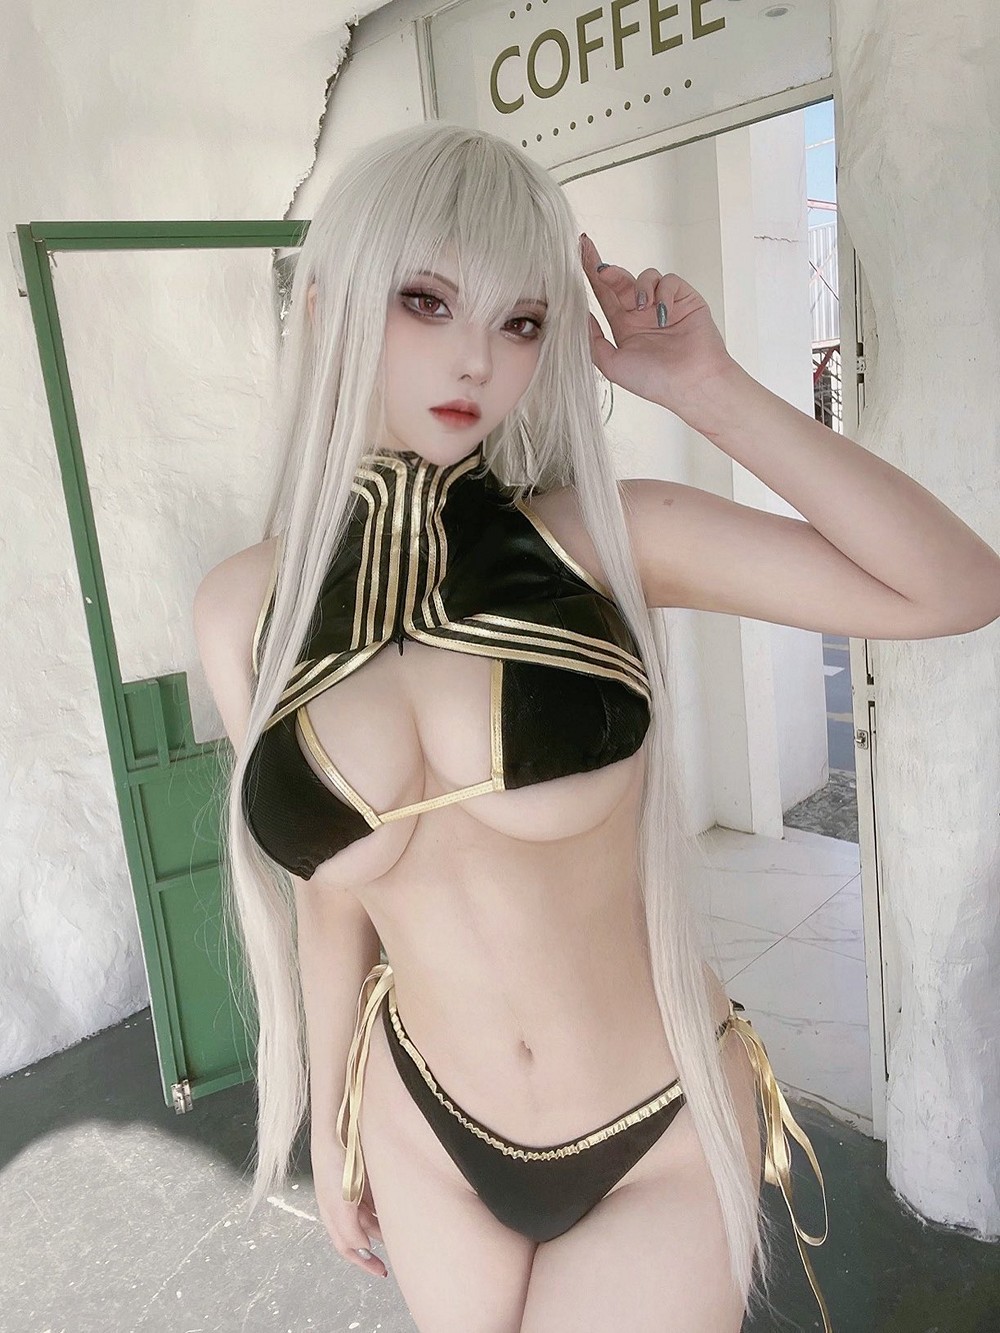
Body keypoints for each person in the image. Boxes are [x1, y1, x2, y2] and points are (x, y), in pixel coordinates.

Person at [193, 120, 1000, 1333]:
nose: (476, 357)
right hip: (424, 1124)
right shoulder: (242, 608)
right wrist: (330, 1114)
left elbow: (954, 586)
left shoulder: (607, 538)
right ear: (325, 307)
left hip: (650, 1127)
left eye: (522, 322)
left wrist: (706, 388)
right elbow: (327, 893)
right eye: (426, 301)